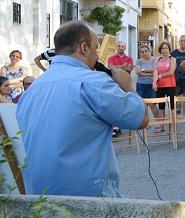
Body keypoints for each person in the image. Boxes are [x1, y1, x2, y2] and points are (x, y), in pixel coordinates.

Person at [16, 20, 148, 197]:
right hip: (88, 202)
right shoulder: (94, 82)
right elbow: (141, 119)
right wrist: (128, 87)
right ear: (84, 48)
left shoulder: (31, 90)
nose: (97, 56)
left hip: (39, 202)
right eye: (96, 48)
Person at [152, 42, 177, 132]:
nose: (164, 50)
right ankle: (161, 126)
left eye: (166, 48)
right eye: (163, 48)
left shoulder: (172, 59)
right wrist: (154, 83)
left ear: (169, 49)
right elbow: (155, 71)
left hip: (170, 85)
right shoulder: (157, 59)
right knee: (161, 107)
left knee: (172, 106)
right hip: (160, 86)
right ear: (160, 50)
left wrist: (160, 76)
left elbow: (171, 72)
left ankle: (173, 126)